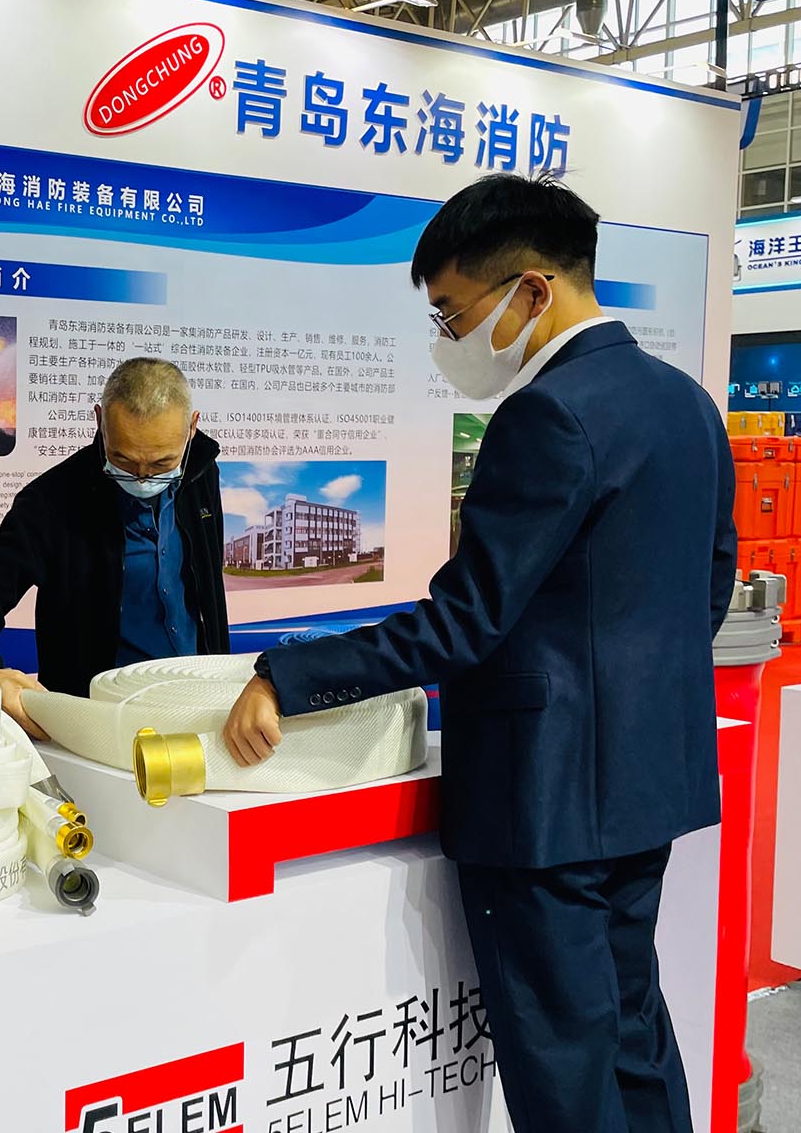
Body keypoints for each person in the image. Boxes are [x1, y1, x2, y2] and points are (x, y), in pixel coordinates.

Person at [221, 174, 736, 1133]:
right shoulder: (687, 403)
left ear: (533, 290)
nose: (450, 339)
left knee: (564, 1066)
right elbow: (708, 585)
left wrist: (287, 674)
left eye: (455, 314)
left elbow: (465, 622)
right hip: (647, 780)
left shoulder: (548, 416)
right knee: (631, 1028)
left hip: (545, 803)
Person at [0, 357, 229, 733]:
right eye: (122, 459)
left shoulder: (201, 472)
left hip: (201, 701)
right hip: (99, 722)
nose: (142, 478)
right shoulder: (53, 500)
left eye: (160, 464)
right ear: (100, 420)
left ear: (192, 427)